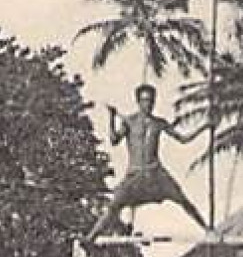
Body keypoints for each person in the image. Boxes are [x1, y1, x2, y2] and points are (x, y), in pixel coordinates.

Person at [83, 84, 213, 245]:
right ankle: (90, 238)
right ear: (138, 101)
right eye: (144, 100)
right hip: (135, 174)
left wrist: (204, 127)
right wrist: (111, 118)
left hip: (155, 172)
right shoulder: (129, 122)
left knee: (182, 200)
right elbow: (114, 140)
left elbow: (183, 139)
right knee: (114, 206)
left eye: (151, 101)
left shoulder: (159, 123)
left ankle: (208, 229)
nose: (148, 104)